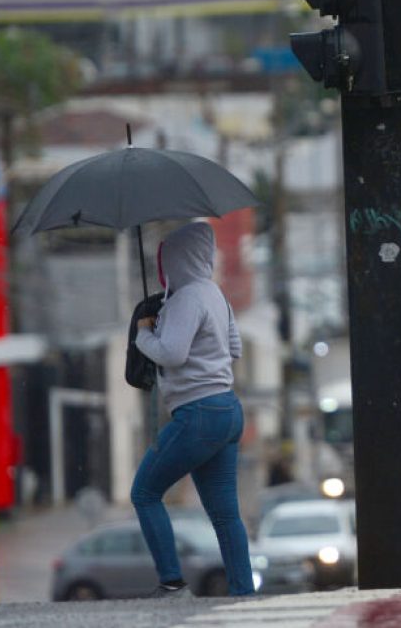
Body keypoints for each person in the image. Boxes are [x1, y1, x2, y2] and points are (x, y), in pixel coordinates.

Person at [132, 221, 254, 597]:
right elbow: (234, 348)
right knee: (225, 514)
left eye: (166, 258)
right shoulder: (215, 295)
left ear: (176, 258)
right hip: (227, 409)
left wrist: (144, 334)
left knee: (145, 493)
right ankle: (242, 591)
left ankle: (171, 581)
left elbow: (171, 353)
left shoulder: (186, 298)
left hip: (197, 413)